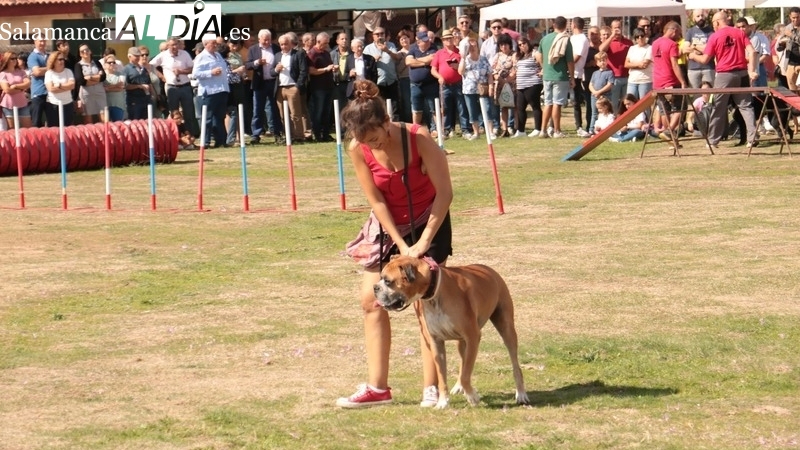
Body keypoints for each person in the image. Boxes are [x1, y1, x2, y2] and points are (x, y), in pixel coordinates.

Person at [337, 79, 453, 409]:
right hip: (390, 226)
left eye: (375, 139)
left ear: (387, 124)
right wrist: (401, 243)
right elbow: (376, 201)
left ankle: (431, 387)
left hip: (430, 220)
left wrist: (422, 244)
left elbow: (445, 193)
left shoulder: (419, 138)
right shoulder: (357, 148)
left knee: (422, 304)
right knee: (370, 299)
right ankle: (378, 388)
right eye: (364, 142)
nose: (372, 147)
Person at [695, 11, 759, 149]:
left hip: (725, 75)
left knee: (718, 107)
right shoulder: (739, 32)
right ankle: (753, 137)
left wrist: (692, 55)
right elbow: (753, 52)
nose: (713, 26)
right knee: (746, 106)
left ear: (717, 22)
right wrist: (752, 70)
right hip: (742, 74)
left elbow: (705, 59)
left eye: (713, 23)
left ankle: (713, 141)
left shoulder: (714, 36)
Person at [150, 37, 197, 138]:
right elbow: (151, 65)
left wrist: (181, 71)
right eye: (172, 45)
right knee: (173, 113)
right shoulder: (163, 55)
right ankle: (174, 136)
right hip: (172, 88)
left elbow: (192, 68)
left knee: (188, 113)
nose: (175, 47)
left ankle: (190, 136)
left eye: (176, 44)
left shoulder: (184, 54)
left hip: (185, 86)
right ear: (168, 46)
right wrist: (161, 76)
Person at [536, 16, 574, 139]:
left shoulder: (544, 39)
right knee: (557, 103)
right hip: (560, 76)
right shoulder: (565, 39)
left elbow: (538, 55)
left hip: (547, 75)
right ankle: (557, 131)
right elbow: (570, 61)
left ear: (553, 25)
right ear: (565, 26)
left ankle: (543, 130)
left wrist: (544, 67)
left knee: (547, 103)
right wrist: (572, 77)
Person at [192, 34, 231, 148]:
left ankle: (221, 141)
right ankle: (206, 142)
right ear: (205, 44)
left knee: (220, 117)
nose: (215, 45)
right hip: (209, 91)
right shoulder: (201, 57)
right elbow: (195, 74)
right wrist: (211, 72)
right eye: (213, 43)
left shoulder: (218, 55)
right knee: (207, 118)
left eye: (216, 43)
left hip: (221, 89)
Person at [651, 21, 687, 139]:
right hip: (670, 81)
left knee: (664, 110)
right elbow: (675, 65)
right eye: (679, 34)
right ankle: (669, 132)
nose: (679, 37)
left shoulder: (655, 43)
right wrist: (682, 82)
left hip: (658, 82)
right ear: (674, 31)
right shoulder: (672, 44)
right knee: (680, 107)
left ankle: (668, 136)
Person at [271, 33, 309, 143]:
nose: (284, 47)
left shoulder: (298, 54)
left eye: (286, 44)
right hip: (280, 88)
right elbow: (271, 72)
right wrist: (276, 70)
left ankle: (299, 136)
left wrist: (297, 86)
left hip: (293, 87)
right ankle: (289, 135)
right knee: (283, 115)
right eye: (281, 45)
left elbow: (303, 71)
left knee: (295, 114)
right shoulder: (278, 55)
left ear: (290, 44)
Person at [247, 29, 282, 145]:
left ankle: (277, 133)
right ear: (259, 39)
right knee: (257, 109)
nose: (267, 42)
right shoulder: (253, 49)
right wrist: (256, 63)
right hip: (259, 83)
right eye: (265, 40)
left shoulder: (276, 48)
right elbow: (248, 64)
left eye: (269, 40)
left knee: (274, 109)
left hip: (273, 82)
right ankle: (256, 134)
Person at [431, 28, 467, 139]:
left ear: (453, 39)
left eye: (450, 38)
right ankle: (447, 129)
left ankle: (465, 129)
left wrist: (459, 67)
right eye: (446, 39)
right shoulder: (439, 53)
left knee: (461, 107)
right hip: (445, 85)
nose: (448, 41)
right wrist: (439, 77)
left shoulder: (459, 52)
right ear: (443, 41)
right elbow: (433, 69)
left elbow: (466, 67)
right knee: (445, 108)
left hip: (458, 83)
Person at [458, 34, 493, 140]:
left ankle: (490, 132)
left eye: (474, 46)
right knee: (472, 111)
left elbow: (490, 73)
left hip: (483, 88)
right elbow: (460, 72)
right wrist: (463, 58)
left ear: (478, 46)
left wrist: (491, 86)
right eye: (470, 46)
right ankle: (476, 133)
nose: (473, 48)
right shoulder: (465, 60)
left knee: (487, 109)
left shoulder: (483, 59)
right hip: (469, 90)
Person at [364, 27, 403, 119]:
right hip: (377, 83)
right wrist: (373, 60)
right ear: (373, 36)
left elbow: (397, 58)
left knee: (394, 107)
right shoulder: (368, 48)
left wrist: (387, 51)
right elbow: (365, 65)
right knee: (379, 107)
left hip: (391, 80)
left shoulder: (391, 45)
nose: (380, 36)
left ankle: (395, 127)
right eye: (377, 34)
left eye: (382, 34)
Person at [406, 31, 439, 136]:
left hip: (431, 84)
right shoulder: (413, 49)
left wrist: (416, 61)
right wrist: (424, 61)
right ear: (418, 42)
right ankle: (415, 131)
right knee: (416, 110)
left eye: (428, 40)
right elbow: (408, 62)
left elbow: (432, 59)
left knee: (434, 108)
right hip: (415, 85)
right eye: (425, 41)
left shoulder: (433, 48)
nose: (428, 42)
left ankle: (438, 130)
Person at [307, 32, 336, 142]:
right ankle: (317, 134)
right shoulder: (313, 53)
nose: (327, 45)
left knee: (327, 112)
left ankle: (326, 133)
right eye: (325, 43)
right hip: (318, 88)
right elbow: (311, 70)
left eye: (328, 43)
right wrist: (325, 69)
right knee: (318, 111)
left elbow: (328, 66)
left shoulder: (326, 53)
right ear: (318, 42)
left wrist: (333, 68)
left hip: (328, 85)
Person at [599, 19, 633, 114]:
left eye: (619, 27)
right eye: (615, 28)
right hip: (613, 78)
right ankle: (613, 123)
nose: (617, 29)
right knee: (613, 103)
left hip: (626, 76)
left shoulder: (628, 42)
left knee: (626, 103)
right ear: (611, 29)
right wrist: (612, 36)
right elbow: (601, 49)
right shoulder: (609, 41)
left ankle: (625, 123)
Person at [512, 37, 542, 138]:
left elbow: (543, 65)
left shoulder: (535, 53)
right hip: (520, 85)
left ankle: (538, 128)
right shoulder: (519, 56)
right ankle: (521, 130)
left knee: (535, 106)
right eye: (519, 45)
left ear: (528, 43)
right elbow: (515, 68)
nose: (522, 46)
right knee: (520, 107)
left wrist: (541, 72)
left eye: (524, 43)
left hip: (532, 83)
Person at [74, 44, 107, 124]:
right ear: (80, 54)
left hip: (100, 93)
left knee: (104, 118)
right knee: (88, 119)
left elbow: (103, 77)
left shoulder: (97, 63)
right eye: (82, 51)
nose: (85, 52)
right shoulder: (78, 65)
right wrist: (97, 77)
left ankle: (105, 136)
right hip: (86, 95)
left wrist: (89, 78)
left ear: (90, 51)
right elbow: (81, 81)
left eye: (87, 49)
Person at [491, 33, 516, 138]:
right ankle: (504, 128)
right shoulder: (497, 56)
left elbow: (515, 68)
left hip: (512, 84)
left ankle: (513, 126)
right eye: (501, 45)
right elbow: (492, 69)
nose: (504, 47)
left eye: (505, 44)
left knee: (514, 106)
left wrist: (507, 79)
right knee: (504, 107)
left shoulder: (514, 55)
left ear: (510, 44)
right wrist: (498, 77)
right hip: (500, 84)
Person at [683, 9, 715, 89]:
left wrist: (694, 46)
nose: (701, 18)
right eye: (698, 16)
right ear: (693, 19)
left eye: (702, 15)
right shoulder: (690, 32)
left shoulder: (711, 31)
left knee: (709, 93)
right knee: (696, 95)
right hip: (693, 69)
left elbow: (710, 49)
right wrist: (701, 49)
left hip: (708, 67)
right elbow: (685, 49)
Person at [0, 51, 32, 129]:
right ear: (7, 60)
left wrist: (15, 86)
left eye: (16, 58)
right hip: (8, 105)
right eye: (12, 58)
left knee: (28, 128)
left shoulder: (21, 72)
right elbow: (7, 90)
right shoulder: (3, 74)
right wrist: (21, 89)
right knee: (12, 129)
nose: (15, 60)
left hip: (22, 103)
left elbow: (28, 83)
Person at [44, 51, 76, 127]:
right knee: (54, 129)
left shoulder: (68, 71)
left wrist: (59, 85)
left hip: (67, 104)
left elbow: (72, 86)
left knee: (68, 128)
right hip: (53, 105)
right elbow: (51, 89)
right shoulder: (49, 73)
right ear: (53, 61)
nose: (62, 61)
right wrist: (66, 87)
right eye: (60, 59)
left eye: (63, 59)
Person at [571, 17, 590, 137]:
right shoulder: (572, 38)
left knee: (576, 101)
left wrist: (566, 66)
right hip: (567, 73)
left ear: (573, 25)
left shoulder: (582, 39)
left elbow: (576, 56)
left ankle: (579, 126)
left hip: (576, 73)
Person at [588, 51, 615, 135]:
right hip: (594, 96)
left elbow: (610, 84)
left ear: (607, 61)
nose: (602, 62)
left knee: (606, 112)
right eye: (600, 61)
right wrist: (595, 92)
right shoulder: (595, 73)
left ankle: (606, 128)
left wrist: (599, 92)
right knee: (594, 113)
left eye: (604, 60)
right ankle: (592, 129)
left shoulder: (610, 73)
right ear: (597, 63)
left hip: (605, 96)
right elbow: (590, 84)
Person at [122, 46, 152, 120]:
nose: (138, 58)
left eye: (139, 56)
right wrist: (139, 86)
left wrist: (152, 95)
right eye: (136, 56)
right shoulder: (126, 69)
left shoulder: (143, 68)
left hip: (146, 99)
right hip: (134, 100)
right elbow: (125, 86)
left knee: (147, 121)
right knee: (135, 121)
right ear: (129, 56)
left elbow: (149, 82)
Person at [625, 28, 653, 100]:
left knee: (644, 105)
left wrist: (632, 65)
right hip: (632, 80)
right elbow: (626, 64)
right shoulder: (632, 48)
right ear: (635, 38)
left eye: (642, 36)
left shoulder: (650, 48)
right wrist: (638, 64)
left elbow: (644, 65)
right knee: (630, 103)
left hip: (645, 81)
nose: (640, 38)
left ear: (645, 36)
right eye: (637, 37)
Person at [777, 7, 800, 92]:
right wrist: (781, 44)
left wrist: (791, 35)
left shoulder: (789, 32)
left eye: (797, 17)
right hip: (790, 63)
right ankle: (795, 105)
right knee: (792, 90)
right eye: (793, 17)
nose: (795, 19)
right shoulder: (787, 28)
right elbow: (778, 48)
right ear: (790, 17)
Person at [27, 39, 49, 127]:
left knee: (52, 122)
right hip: (38, 93)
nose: (42, 43)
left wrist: (42, 70)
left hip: (51, 93)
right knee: (36, 123)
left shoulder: (49, 55)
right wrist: (51, 68)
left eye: (44, 41)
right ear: (35, 42)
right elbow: (37, 72)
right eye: (40, 41)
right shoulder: (32, 56)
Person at [395, 31, 414, 123]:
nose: (404, 40)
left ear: (409, 38)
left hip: (415, 78)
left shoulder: (415, 50)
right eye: (401, 39)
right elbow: (397, 70)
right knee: (407, 102)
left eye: (405, 38)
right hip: (405, 79)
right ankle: (408, 122)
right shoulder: (398, 54)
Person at [102, 55, 126, 121]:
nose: (112, 64)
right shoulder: (102, 76)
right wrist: (116, 85)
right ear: (105, 64)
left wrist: (107, 88)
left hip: (118, 104)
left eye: (113, 62)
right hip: (105, 105)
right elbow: (102, 89)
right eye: (109, 62)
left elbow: (121, 87)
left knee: (118, 125)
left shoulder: (121, 74)